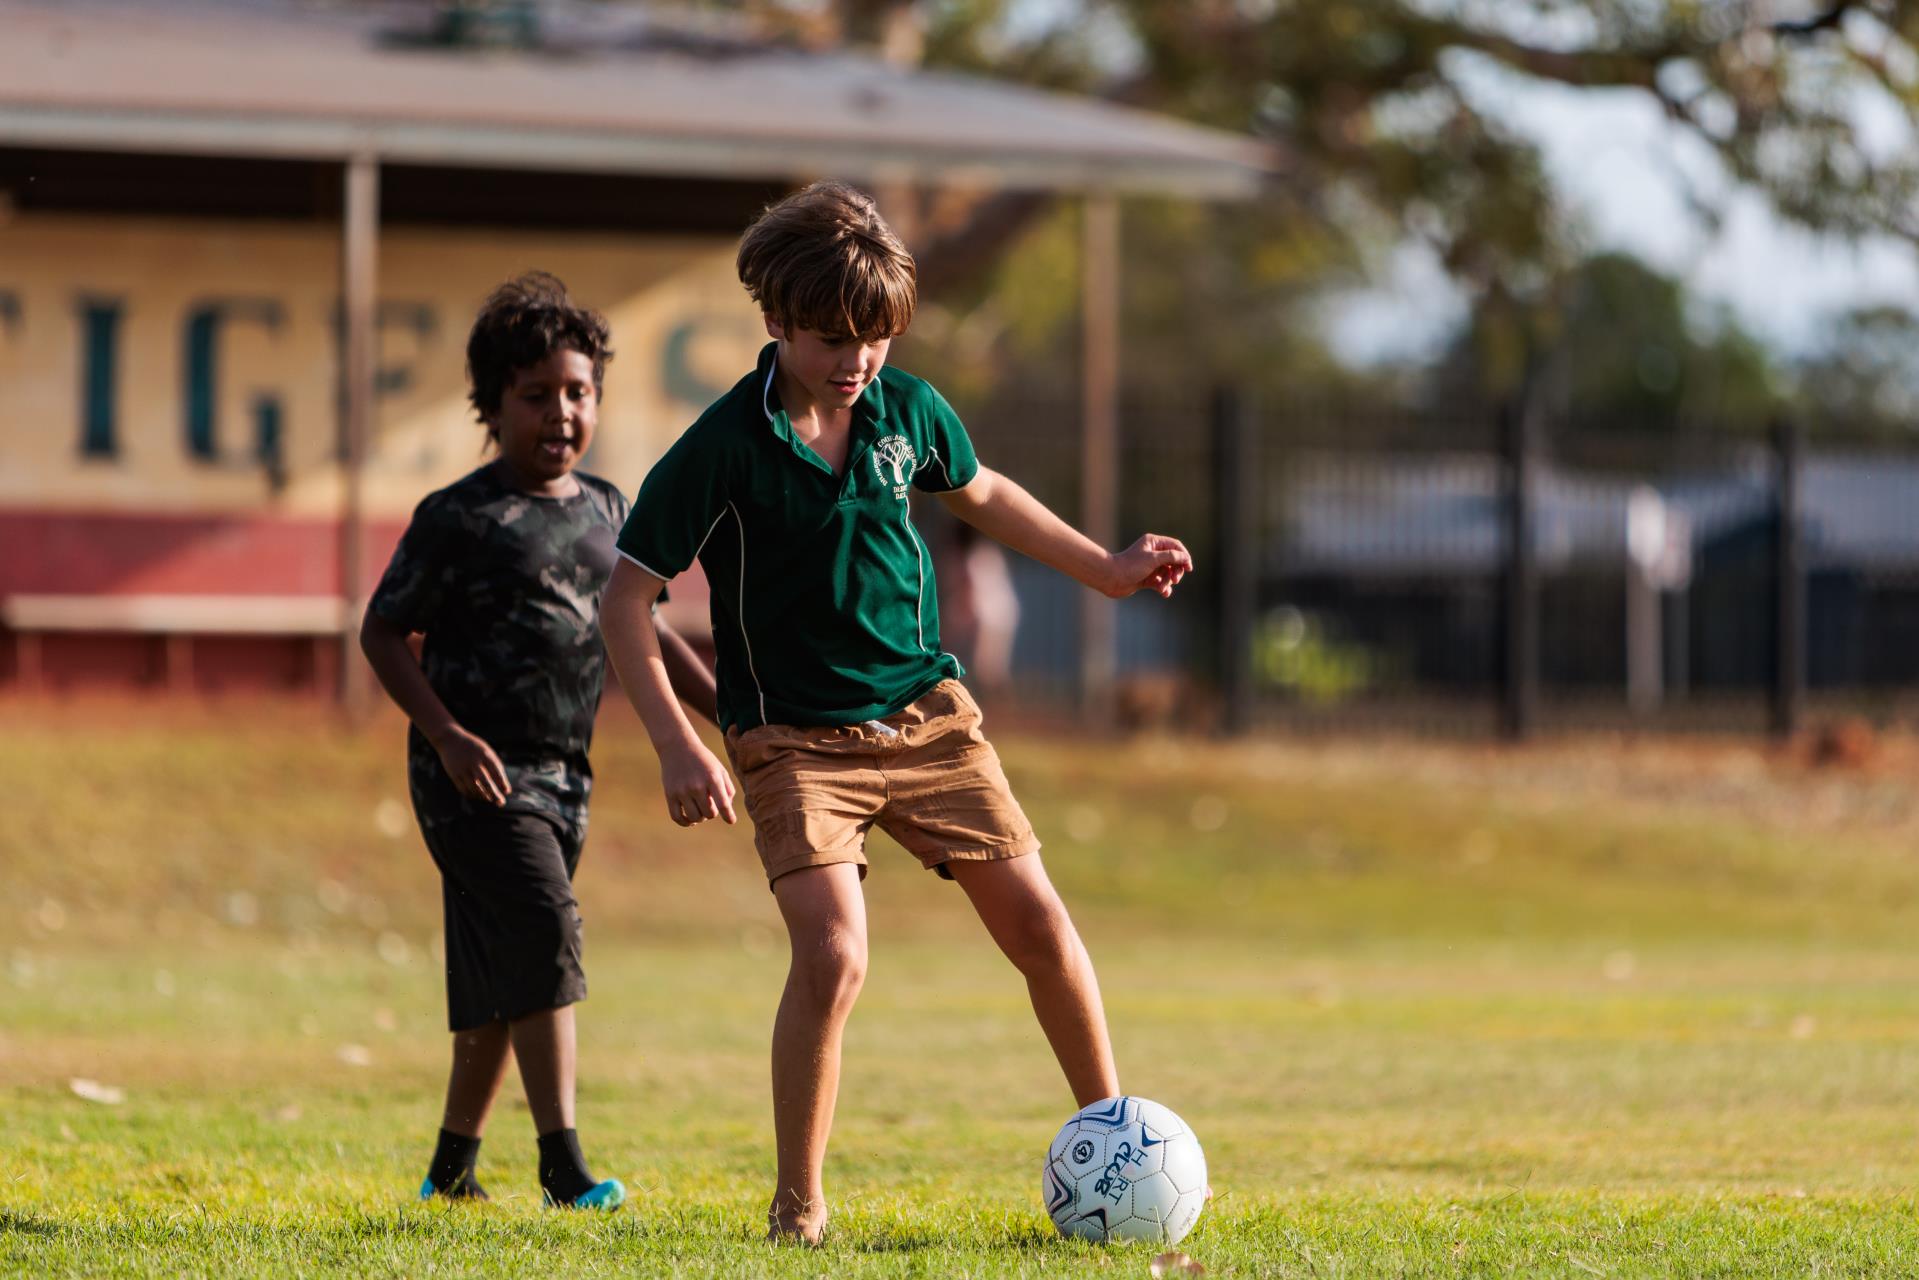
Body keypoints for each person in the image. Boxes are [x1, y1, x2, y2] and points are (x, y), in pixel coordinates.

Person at [598, 182, 1192, 1244]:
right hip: (790, 741)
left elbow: (984, 492)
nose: (856, 359)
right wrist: (678, 742)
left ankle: (1116, 1144)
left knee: (1041, 926)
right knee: (832, 954)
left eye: (873, 337)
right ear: (776, 320)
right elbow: (624, 600)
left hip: (924, 716)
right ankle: (798, 1204)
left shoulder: (904, 409)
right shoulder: (722, 446)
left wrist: (1103, 567)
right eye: (832, 337)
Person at [359, 273, 716, 1211]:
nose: (559, 413)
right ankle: (564, 1168)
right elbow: (383, 633)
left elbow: (649, 631)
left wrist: (728, 708)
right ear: (491, 404)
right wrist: (443, 734)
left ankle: (450, 1174)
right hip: (471, 773)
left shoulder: (607, 509)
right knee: (546, 932)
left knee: (500, 967)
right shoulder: (458, 518)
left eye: (577, 392)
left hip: (567, 776)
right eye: (535, 396)